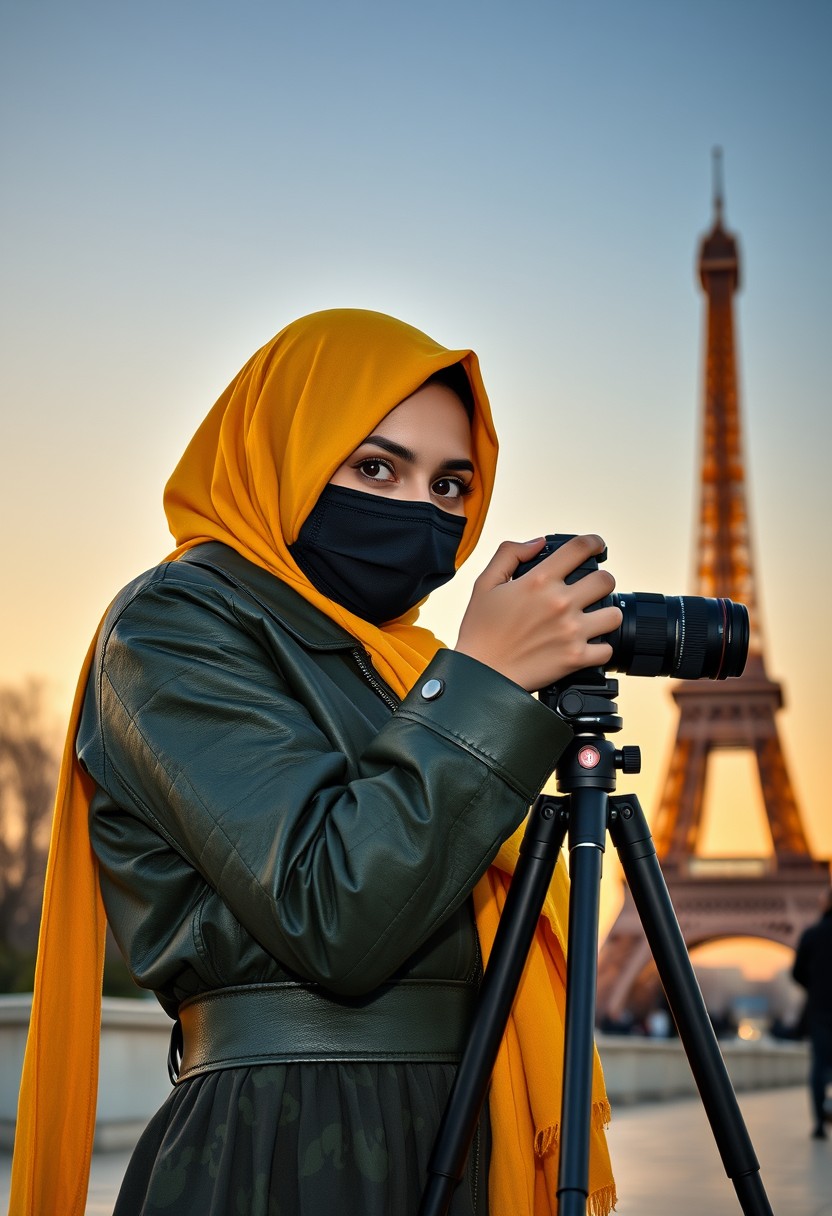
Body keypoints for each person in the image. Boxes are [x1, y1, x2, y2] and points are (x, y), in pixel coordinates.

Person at [11, 308, 619, 1216]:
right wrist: (485, 685)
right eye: (376, 467)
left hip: (463, 1133)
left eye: (453, 486)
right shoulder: (174, 627)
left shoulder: (407, 666)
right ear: (279, 451)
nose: (424, 511)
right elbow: (334, 913)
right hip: (289, 1145)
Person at [793, 888, 832, 1140]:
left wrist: (816, 986)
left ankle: (819, 1122)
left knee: (819, 1065)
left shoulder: (812, 935)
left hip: (821, 1009)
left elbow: (797, 972)